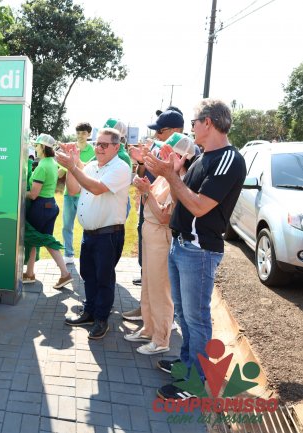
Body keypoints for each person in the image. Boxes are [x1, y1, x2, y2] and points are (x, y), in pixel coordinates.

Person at [144, 99, 246, 400]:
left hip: (198, 250)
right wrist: (173, 174)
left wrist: (171, 175)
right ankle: (187, 362)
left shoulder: (228, 159)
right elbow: (181, 199)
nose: (191, 128)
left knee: (196, 317)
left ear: (208, 122)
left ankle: (195, 382)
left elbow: (200, 207)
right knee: (185, 315)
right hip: (182, 246)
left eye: (193, 122)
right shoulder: (202, 158)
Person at [124, 134, 197, 355]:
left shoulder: (180, 181)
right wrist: (144, 189)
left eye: (168, 153)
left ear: (182, 158)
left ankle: (161, 339)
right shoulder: (166, 176)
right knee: (148, 286)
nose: (161, 157)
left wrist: (146, 192)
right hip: (150, 232)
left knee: (160, 291)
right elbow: (151, 198)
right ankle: (148, 329)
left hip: (161, 236)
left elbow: (165, 217)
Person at [56, 128, 131, 339]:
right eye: (97, 143)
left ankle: (101, 319)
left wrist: (73, 166)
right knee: (88, 275)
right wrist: (72, 167)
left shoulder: (120, 167)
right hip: (89, 234)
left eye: (104, 145)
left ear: (116, 147)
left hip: (108, 235)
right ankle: (89, 312)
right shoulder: (91, 166)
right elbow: (73, 189)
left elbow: (97, 188)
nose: (98, 148)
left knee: (104, 279)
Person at [123, 108, 185, 320]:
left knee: (161, 278)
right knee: (148, 270)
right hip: (149, 213)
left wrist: (147, 191)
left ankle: (160, 321)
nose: (157, 135)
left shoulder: (182, 157)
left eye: (161, 130)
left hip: (162, 223)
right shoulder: (159, 151)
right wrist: (141, 162)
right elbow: (145, 176)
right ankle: (147, 311)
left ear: (176, 131)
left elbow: (169, 207)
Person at [23, 134, 72, 289]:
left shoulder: (42, 166)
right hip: (51, 205)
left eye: (37, 145)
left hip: (40, 207)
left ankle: (64, 274)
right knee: (40, 240)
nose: (35, 148)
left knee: (39, 239)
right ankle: (30, 273)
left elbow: (33, 194)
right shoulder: (52, 163)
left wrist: (20, 193)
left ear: (43, 147)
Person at [58, 122, 94, 265]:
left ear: (89, 134)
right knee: (67, 225)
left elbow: (90, 171)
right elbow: (61, 171)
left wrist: (75, 164)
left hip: (85, 194)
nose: (80, 136)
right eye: (78, 133)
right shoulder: (70, 148)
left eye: (84, 133)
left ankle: (88, 254)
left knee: (88, 225)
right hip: (69, 194)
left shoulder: (93, 151)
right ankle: (68, 254)